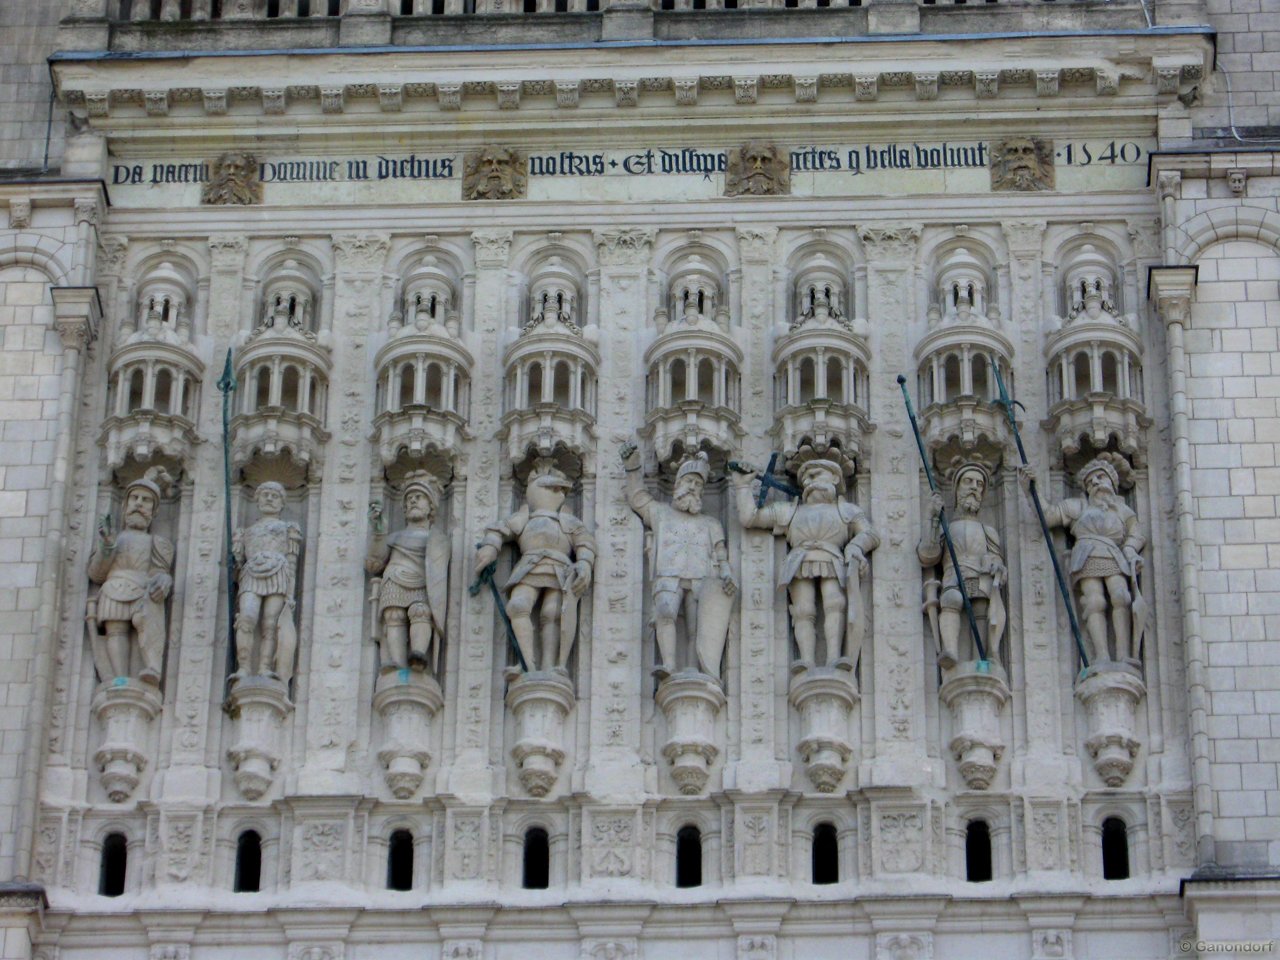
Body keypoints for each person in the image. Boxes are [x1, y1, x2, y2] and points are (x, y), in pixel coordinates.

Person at [734, 457, 879, 671]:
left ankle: (833, 658)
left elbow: (870, 534)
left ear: (835, 478)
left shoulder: (846, 510)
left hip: (831, 557)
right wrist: (743, 486)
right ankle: (807, 660)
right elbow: (750, 519)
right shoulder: (790, 511)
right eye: (806, 477)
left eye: (816, 474)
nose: (810, 480)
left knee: (835, 603)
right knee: (802, 610)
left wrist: (855, 547)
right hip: (800, 561)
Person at [1021, 454, 1146, 663]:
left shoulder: (1123, 510)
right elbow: (1049, 515)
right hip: (1086, 555)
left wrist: (1131, 550)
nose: (1095, 483)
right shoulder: (1078, 506)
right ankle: (1102, 656)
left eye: (1100, 477)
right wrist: (1033, 491)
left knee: (1121, 597)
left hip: (1115, 556)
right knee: (1094, 601)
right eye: (1090, 482)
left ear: (1112, 483)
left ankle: (1123, 654)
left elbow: (1137, 533)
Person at [623, 446, 736, 678]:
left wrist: (726, 572)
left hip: (701, 576)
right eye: (689, 481)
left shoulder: (711, 523)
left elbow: (720, 552)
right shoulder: (660, 513)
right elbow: (637, 498)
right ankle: (669, 664)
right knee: (665, 610)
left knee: (698, 625)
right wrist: (633, 466)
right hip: (668, 573)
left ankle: (695, 668)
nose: (693, 487)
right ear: (677, 484)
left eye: (698, 484)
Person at [474, 460, 596, 674]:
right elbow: (499, 530)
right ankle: (527, 665)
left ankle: (550, 666)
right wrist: (490, 548)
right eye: (553, 488)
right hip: (528, 567)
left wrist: (585, 563)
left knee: (553, 612)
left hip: (560, 570)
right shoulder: (523, 517)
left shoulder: (568, 520)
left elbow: (585, 542)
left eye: (559, 489)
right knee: (517, 606)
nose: (558, 493)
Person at [86, 466, 174, 684]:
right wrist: (107, 546)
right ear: (124, 505)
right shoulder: (114, 539)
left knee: (147, 624)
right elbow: (96, 574)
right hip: (114, 588)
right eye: (134, 498)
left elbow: (160, 571)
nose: (139, 504)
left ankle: (152, 666)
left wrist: (165, 580)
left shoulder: (157, 542)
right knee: (116, 630)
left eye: (146, 501)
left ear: (153, 512)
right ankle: (120, 677)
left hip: (143, 590)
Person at [918, 461, 1007, 667]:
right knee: (951, 599)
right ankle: (950, 650)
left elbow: (997, 558)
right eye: (968, 481)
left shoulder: (988, 530)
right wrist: (931, 518)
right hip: (953, 575)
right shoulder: (946, 527)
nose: (974, 487)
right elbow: (928, 555)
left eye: (979, 484)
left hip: (980, 576)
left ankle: (981, 658)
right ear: (957, 489)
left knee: (981, 612)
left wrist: (997, 566)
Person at [366, 471, 450, 674]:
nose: (413, 501)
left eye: (419, 497)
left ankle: (419, 654)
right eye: (409, 499)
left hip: (421, 582)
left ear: (431, 506)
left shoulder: (437, 539)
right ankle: (396, 662)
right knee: (393, 615)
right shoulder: (394, 537)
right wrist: (379, 532)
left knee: (420, 611)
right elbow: (374, 565)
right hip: (394, 580)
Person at [232, 481, 302, 684]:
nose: (269, 499)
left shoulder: (288, 529)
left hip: (278, 572)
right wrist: (235, 558)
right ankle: (244, 667)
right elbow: (237, 565)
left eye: (275, 496)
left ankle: (264, 668)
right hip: (251, 573)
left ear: (282, 503)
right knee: (246, 617)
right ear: (257, 500)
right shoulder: (245, 532)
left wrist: (289, 594)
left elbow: (291, 562)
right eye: (265, 495)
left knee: (271, 623)